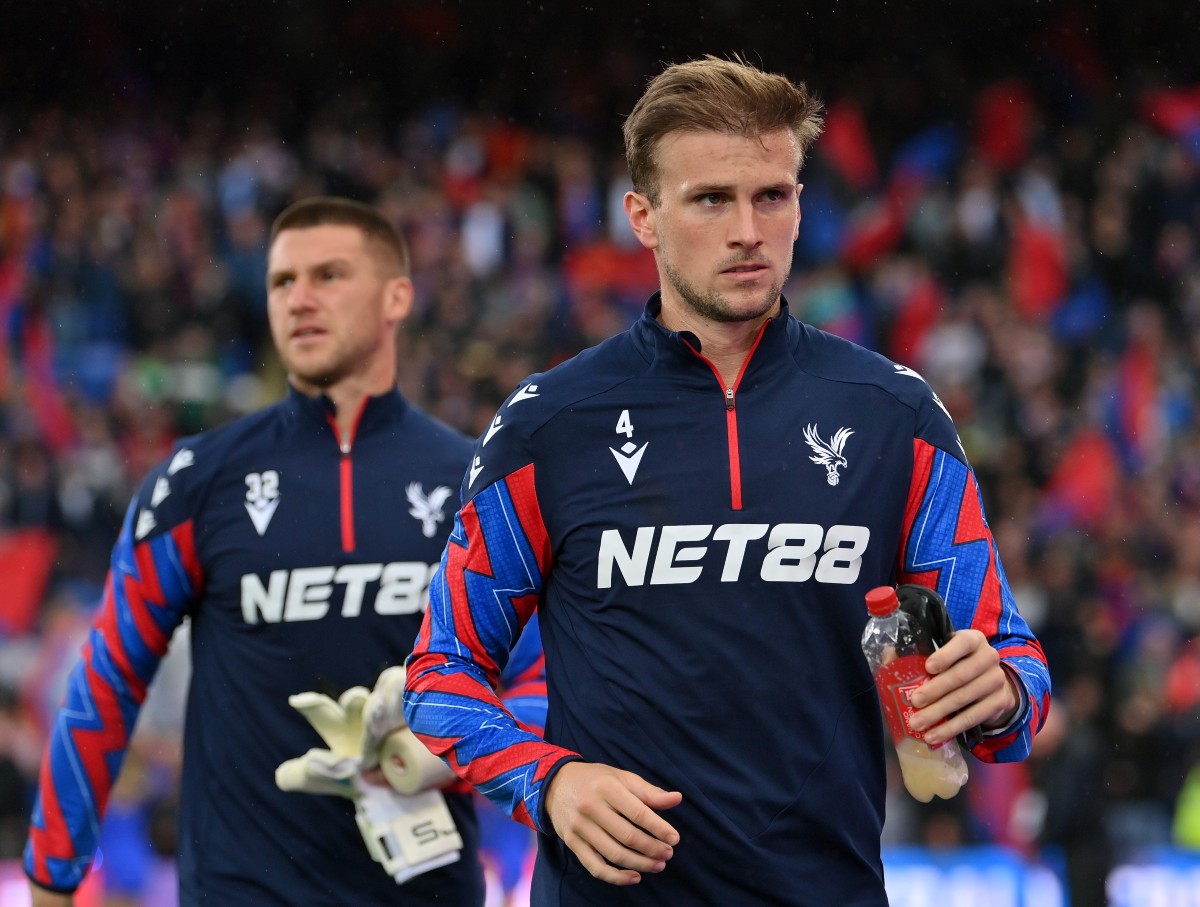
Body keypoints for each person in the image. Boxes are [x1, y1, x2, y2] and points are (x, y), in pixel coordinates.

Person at [403, 55, 1051, 905]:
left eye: (771, 196)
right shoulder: (546, 426)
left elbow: (1019, 675)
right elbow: (440, 673)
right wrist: (549, 781)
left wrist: (995, 690)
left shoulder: (897, 417)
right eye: (711, 199)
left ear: (798, 206)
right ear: (643, 216)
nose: (747, 229)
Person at [24, 196, 545, 906]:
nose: (299, 298)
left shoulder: (474, 482)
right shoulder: (197, 481)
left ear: (398, 296)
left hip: (424, 891)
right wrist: (52, 880)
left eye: (329, 275)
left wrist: (450, 754)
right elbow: (104, 685)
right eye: (280, 281)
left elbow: (545, 683)